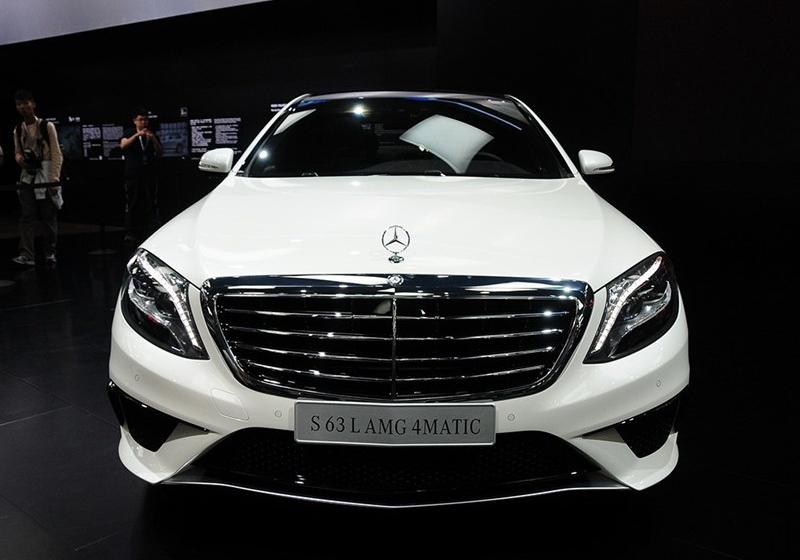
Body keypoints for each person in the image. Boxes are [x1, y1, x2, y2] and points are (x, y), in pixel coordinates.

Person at [11, 89, 63, 266]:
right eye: (19, 104)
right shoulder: (18, 129)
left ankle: (50, 252)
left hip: (46, 173)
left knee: (48, 215)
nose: (22, 107)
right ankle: (27, 254)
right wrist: (20, 159)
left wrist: (54, 178)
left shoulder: (46, 126)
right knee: (27, 216)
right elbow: (17, 152)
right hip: (27, 175)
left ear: (32, 104)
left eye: (25, 103)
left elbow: (56, 153)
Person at [120, 108, 162, 243]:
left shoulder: (151, 133)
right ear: (135, 121)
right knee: (132, 202)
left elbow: (159, 152)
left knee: (151, 201)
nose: (144, 122)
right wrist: (136, 135)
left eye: (146, 120)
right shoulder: (129, 132)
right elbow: (123, 145)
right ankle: (130, 231)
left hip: (149, 173)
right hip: (133, 174)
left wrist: (153, 138)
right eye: (141, 120)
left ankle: (152, 229)